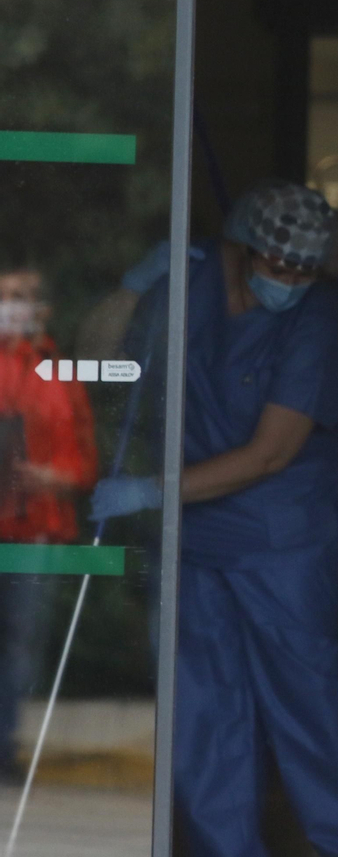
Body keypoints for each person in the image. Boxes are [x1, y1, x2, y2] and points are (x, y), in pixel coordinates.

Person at [91, 180, 338, 857]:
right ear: (244, 249)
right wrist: (133, 287)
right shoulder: (192, 281)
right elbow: (97, 352)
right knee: (204, 720)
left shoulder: (319, 318)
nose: (292, 280)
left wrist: (150, 492)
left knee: (310, 714)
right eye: (280, 264)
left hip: (285, 546)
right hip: (198, 544)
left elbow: (270, 455)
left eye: (305, 269)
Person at [0, 264, 97, 782]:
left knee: (22, 645)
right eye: (5, 296)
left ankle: (4, 743)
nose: (12, 306)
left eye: (22, 297)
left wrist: (54, 476)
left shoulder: (58, 371)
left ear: (44, 308)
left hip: (37, 528)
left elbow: (86, 462)